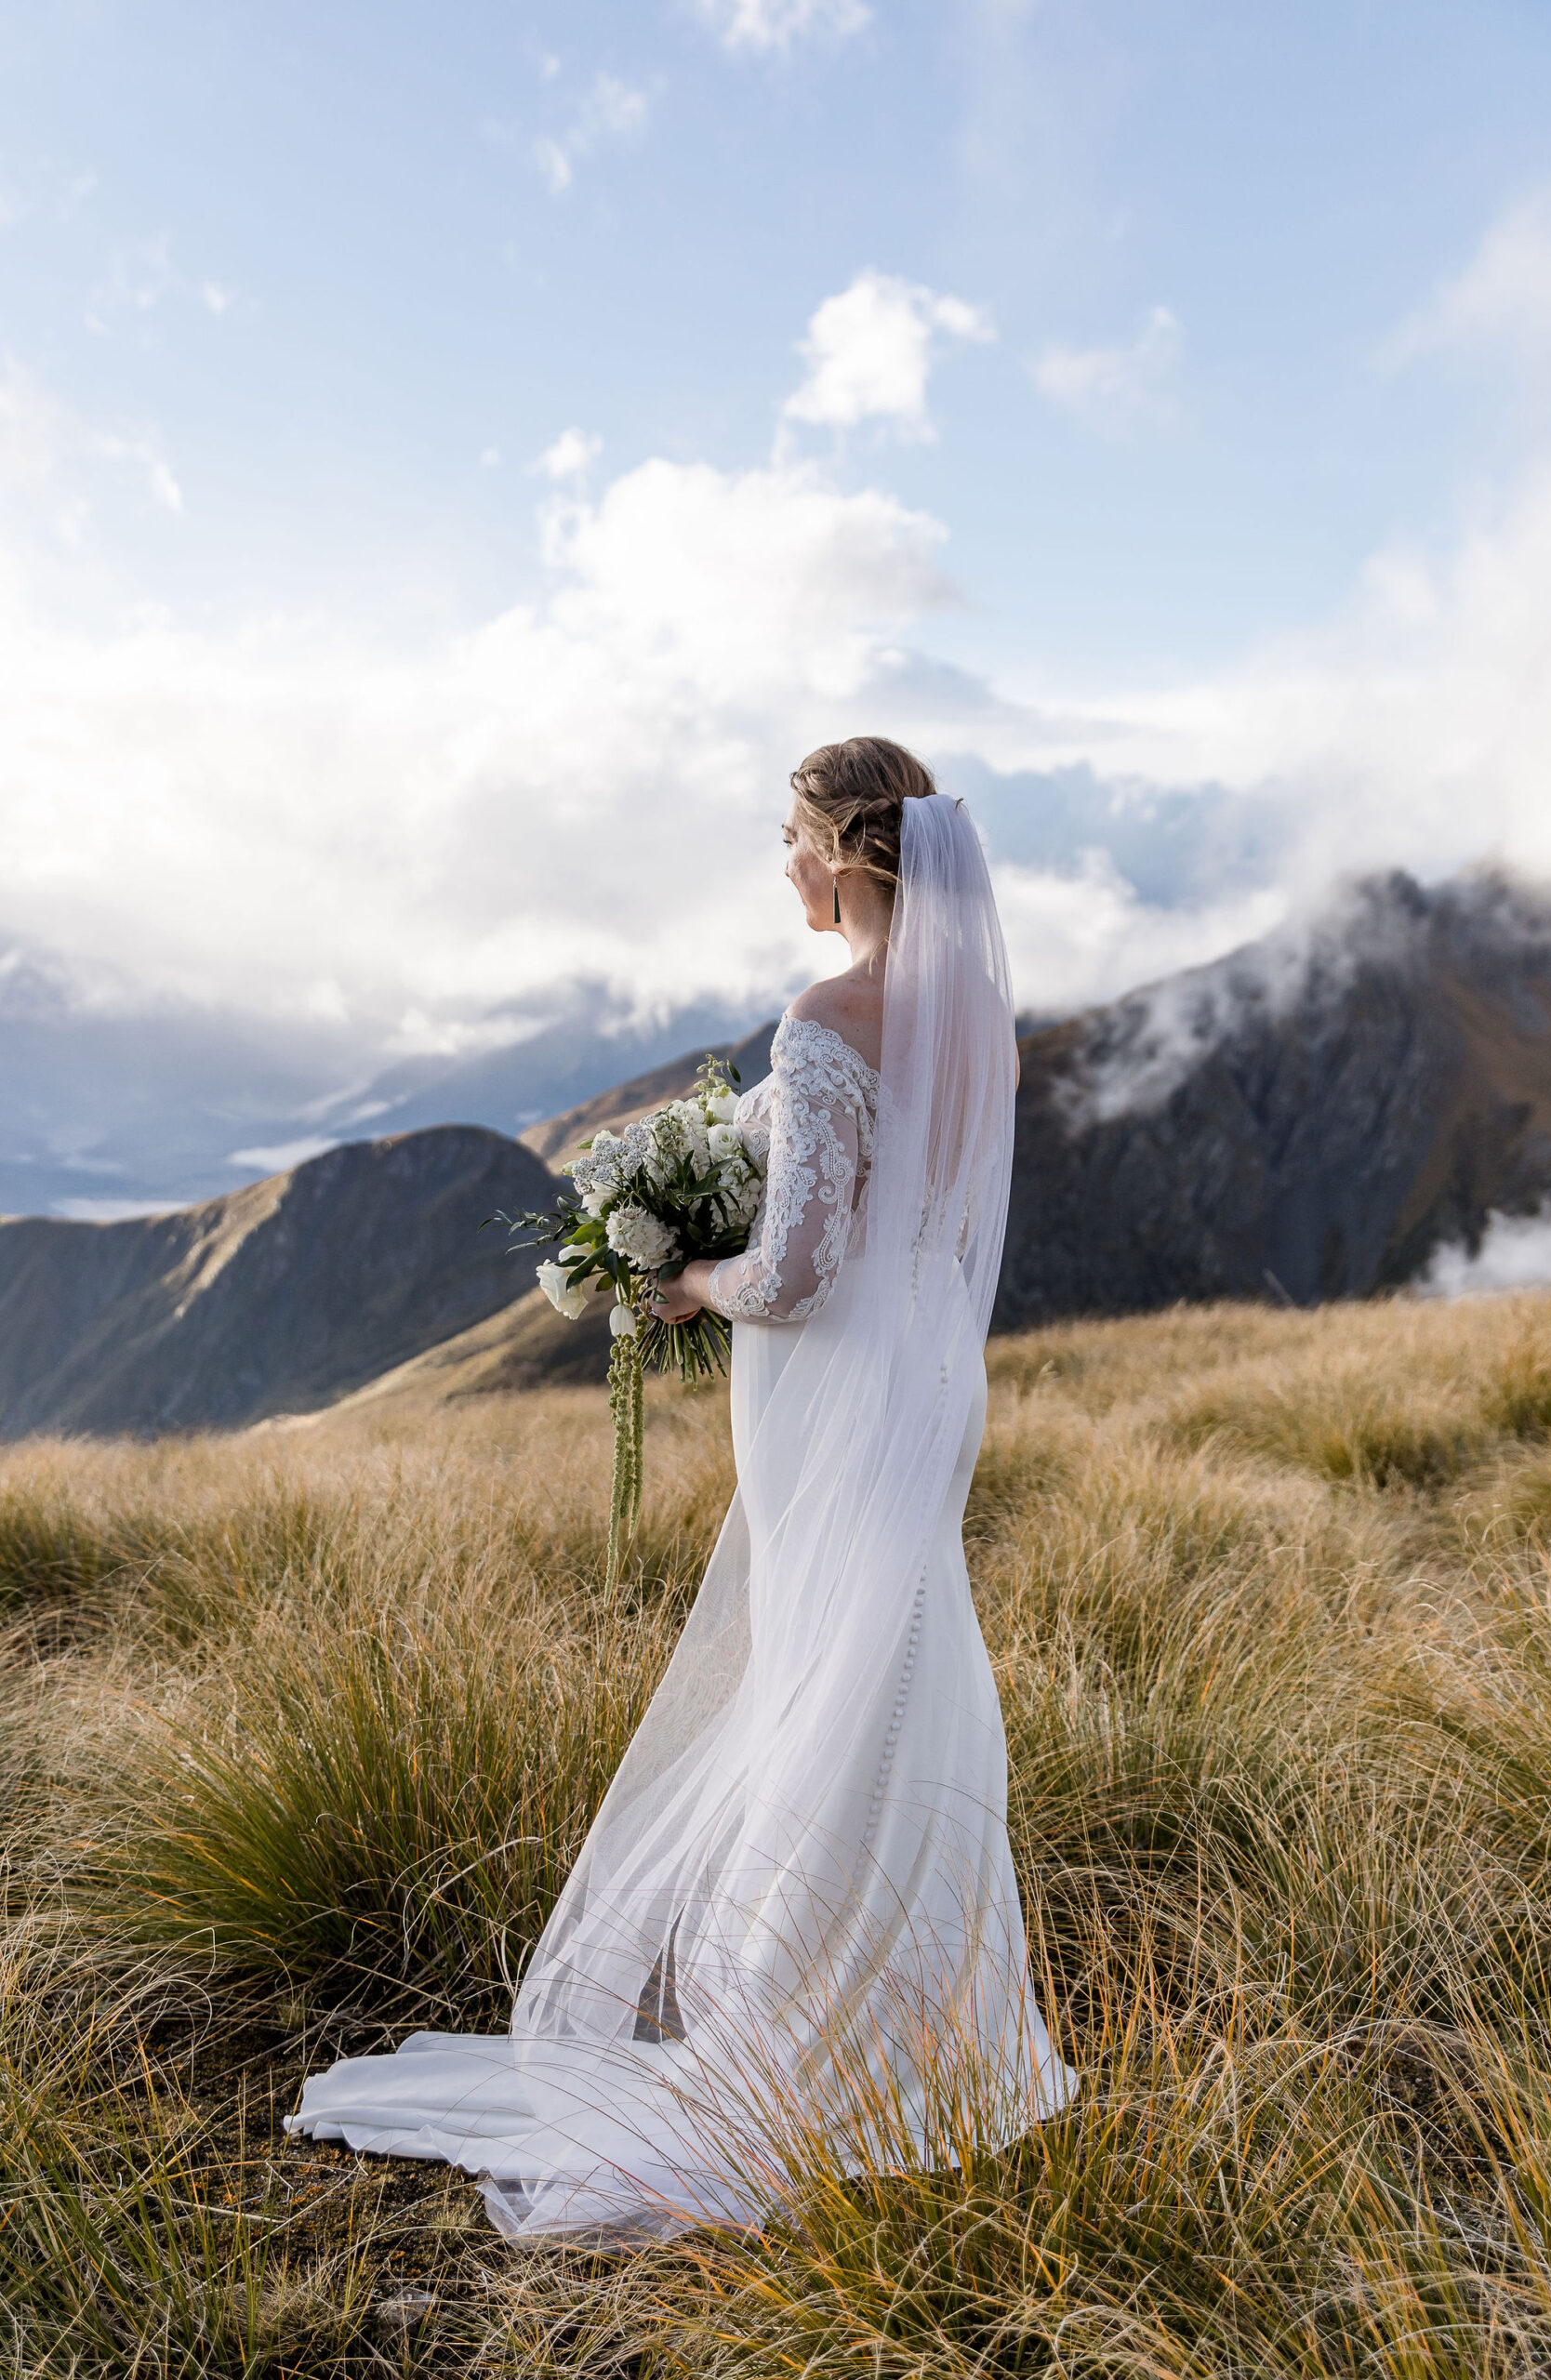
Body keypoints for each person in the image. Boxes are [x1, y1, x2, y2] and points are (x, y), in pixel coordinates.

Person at [286, 736, 1074, 2241]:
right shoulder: (977, 1016)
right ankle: (921, 2018)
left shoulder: (826, 1014)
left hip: (836, 1377)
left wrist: (687, 1280)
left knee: (826, 1669)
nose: (780, 864)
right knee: (897, 1656)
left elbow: (797, 1267)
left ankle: (797, 2023)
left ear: (846, 849)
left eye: (789, 837)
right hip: (925, 1372)